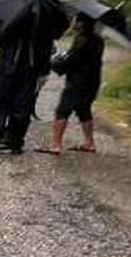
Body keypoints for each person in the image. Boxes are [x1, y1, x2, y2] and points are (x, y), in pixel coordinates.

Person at [0, 2, 55, 155]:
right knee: (22, 106)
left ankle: (1, 137)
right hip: (30, 72)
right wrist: (44, 73)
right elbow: (47, 51)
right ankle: (15, 142)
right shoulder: (45, 23)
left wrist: (1, 24)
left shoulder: (7, 17)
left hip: (5, 68)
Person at [40, 14, 105, 155]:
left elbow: (71, 61)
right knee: (83, 110)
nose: (72, 22)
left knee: (62, 110)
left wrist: (53, 61)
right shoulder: (98, 39)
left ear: (82, 23)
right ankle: (89, 143)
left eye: (75, 20)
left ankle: (55, 145)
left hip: (78, 83)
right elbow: (78, 58)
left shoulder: (82, 39)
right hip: (92, 82)